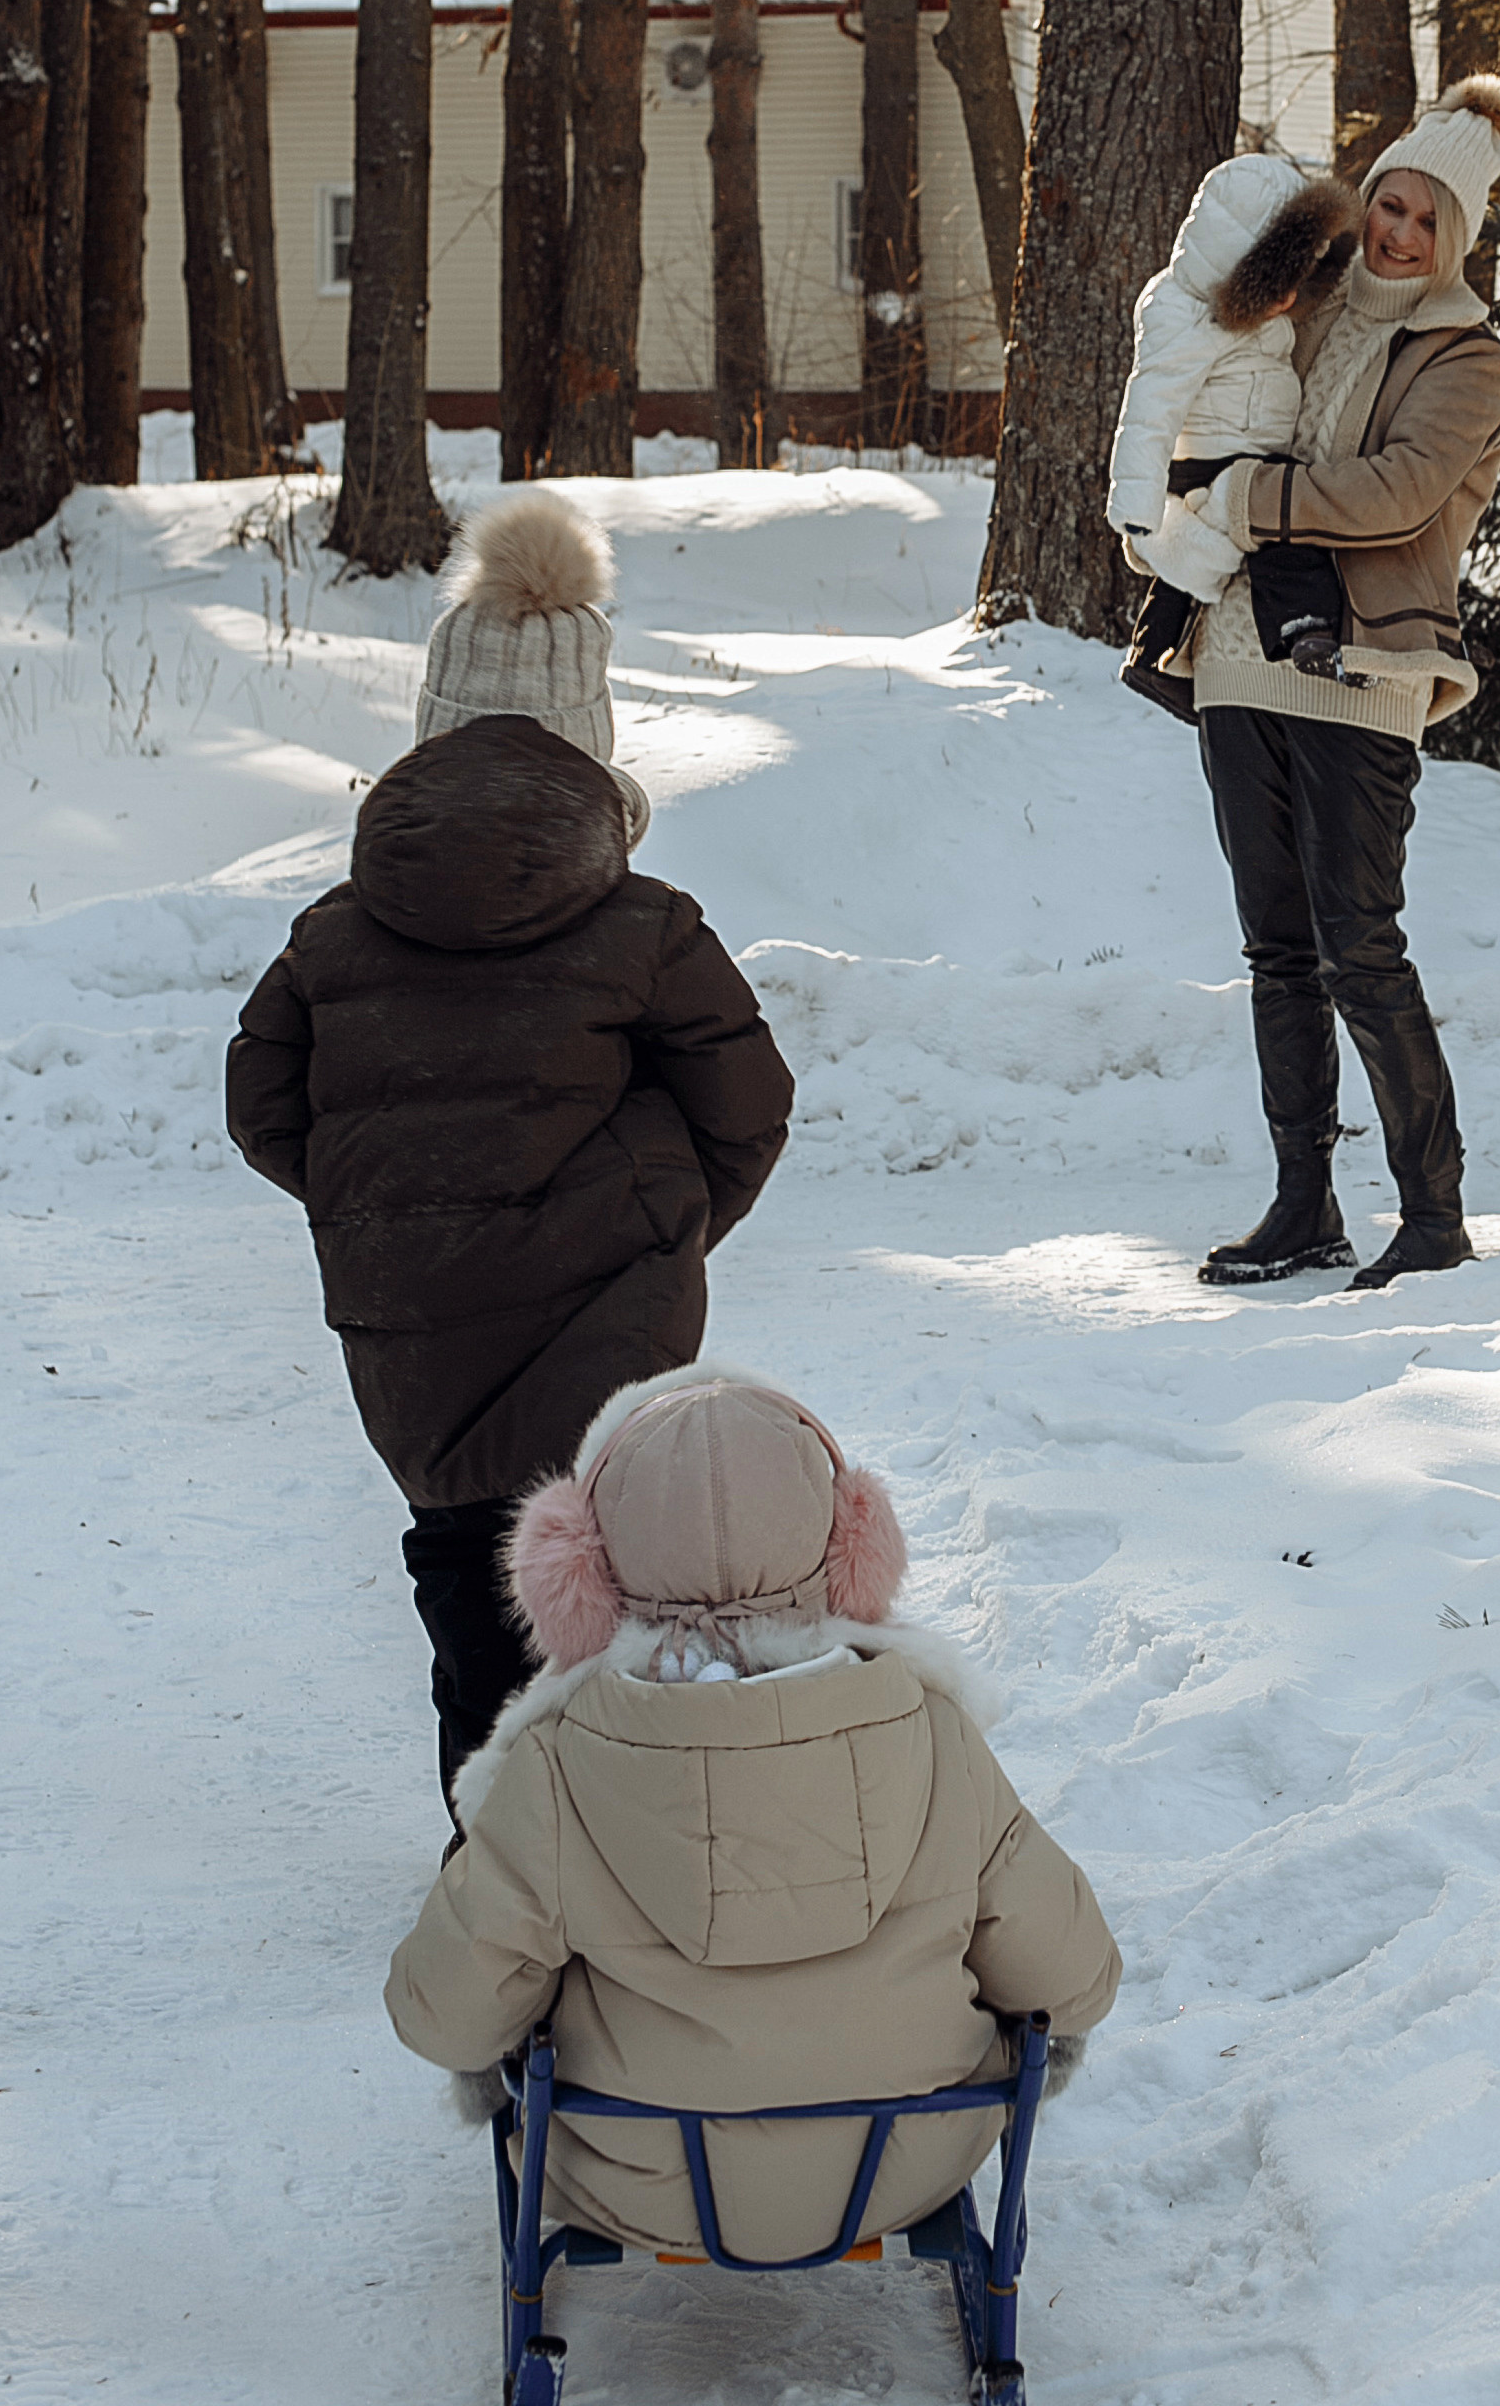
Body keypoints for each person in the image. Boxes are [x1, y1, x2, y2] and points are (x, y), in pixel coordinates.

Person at [224, 489, 795, 1820]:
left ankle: (490, 1872)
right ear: (593, 749)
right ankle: (629, 1851)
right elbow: (747, 1099)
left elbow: (263, 1101)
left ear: (432, 730)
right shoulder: (645, 923)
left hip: (409, 1326)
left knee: (469, 1607)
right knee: (614, 1586)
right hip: (613, 1319)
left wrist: (383, 1198)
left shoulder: (334, 930)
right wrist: (662, 1219)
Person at [385, 1365, 1122, 2262]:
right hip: (905, 2158)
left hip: (636, 2172)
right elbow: (1077, 1974)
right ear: (852, 1541)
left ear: (579, 1564)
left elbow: (442, 2012)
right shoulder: (930, 1733)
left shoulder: (556, 1762)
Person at [1171, 76, 1500, 1293]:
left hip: (1363, 669)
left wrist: (1254, 501)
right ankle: (1302, 1203)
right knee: (1276, 953)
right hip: (1237, 655)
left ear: (1456, 237)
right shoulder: (1303, 307)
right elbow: (1204, 385)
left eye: (1427, 217)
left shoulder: (1465, 358)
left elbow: (1398, 493)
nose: (1398, 231)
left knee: (1357, 948)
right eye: (1389, 202)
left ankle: (1433, 1216)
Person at [1105, 150, 1363, 700]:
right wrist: (1137, 509)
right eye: (1280, 280)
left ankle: (1153, 654)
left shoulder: (1251, 310)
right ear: (1243, 267)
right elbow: (1150, 407)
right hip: (1216, 459)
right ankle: (1303, 626)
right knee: (1281, 516)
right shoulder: (1188, 316)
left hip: (1242, 450)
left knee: (1197, 569)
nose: (1293, 298)